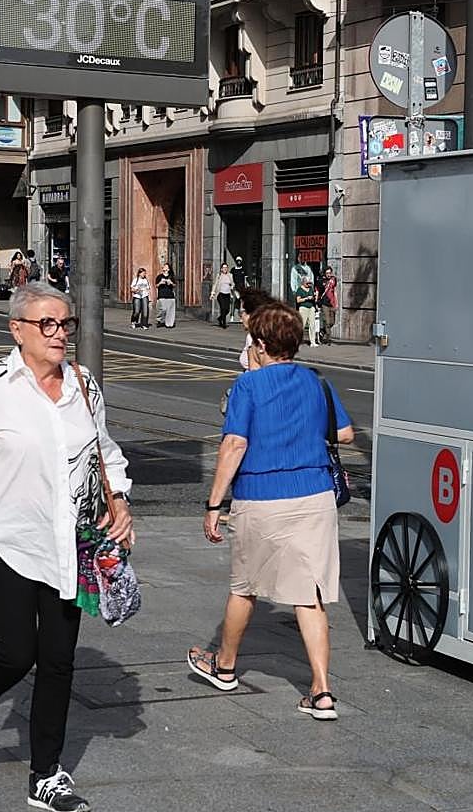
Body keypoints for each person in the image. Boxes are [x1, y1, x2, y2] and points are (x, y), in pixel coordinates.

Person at [0, 282, 133, 812]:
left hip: (70, 541)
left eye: (66, 324)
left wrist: (120, 500)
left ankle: (46, 774)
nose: (60, 334)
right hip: (9, 538)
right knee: (17, 653)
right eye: (47, 324)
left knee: (58, 660)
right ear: (18, 330)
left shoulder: (83, 385)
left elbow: (105, 451)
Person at [187, 302, 354, 720]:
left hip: (262, 497)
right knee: (310, 595)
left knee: (245, 586)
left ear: (261, 345)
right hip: (315, 497)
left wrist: (213, 504)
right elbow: (346, 433)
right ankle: (321, 691)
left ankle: (225, 666)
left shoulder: (248, 385)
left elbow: (234, 445)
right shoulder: (316, 381)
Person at [236, 288, 272, 371]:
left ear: (252, 314)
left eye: (241, 313)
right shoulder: (269, 333)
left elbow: (254, 370)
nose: (240, 319)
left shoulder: (253, 338)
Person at [294, 274, 320, 348]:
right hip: (303, 308)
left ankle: (313, 342)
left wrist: (315, 296)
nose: (309, 284)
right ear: (303, 282)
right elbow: (298, 300)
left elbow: (314, 298)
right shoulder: (299, 289)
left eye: (310, 283)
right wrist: (306, 298)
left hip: (311, 307)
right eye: (307, 283)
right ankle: (298, 341)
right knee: (302, 325)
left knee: (312, 325)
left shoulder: (311, 288)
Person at [211, 263, 235, 329]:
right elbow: (215, 284)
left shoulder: (230, 275)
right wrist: (212, 293)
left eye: (226, 267)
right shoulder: (219, 275)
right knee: (223, 308)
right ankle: (224, 324)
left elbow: (233, 283)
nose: (225, 269)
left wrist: (232, 286)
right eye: (224, 267)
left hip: (228, 294)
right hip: (220, 294)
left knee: (227, 310)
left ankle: (220, 318)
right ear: (221, 269)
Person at [320, 266, 337, 344]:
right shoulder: (322, 280)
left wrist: (336, 303)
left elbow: (335, 291)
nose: (328, 274)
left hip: (332, 303)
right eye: (327, 273)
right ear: (325, 274)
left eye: (330, 273)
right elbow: (319, 291)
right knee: (327, 322)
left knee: (332, 322)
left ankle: (323, 331)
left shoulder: (334, 279)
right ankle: (328, 339)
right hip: (325, 304)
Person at [155, 264, 176, 328]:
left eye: (166, 266)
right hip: (162, 295)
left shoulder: (171, 276)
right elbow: (156, 285)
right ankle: (160, 320)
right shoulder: (159, 276)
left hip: (170, 295)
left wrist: (171, 283)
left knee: (170, 311)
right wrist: (160, 283)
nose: (164, 267)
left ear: (168, 269)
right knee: (163, 309)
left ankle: (169, 324)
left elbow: (174, 285)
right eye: (164, 266)